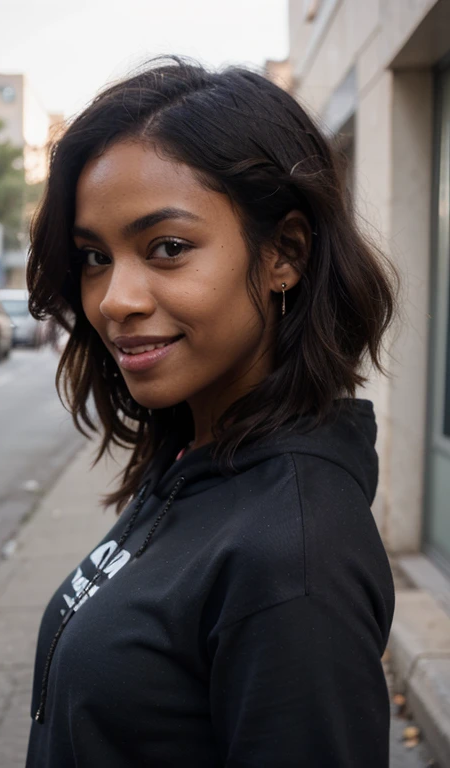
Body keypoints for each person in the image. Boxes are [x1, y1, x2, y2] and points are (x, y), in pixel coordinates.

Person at [25, 56, 399, 767]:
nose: (114, 300)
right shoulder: (197, 455)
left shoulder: (292, 557)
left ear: (283, 253)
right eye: (95, 257)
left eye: (167, 248)